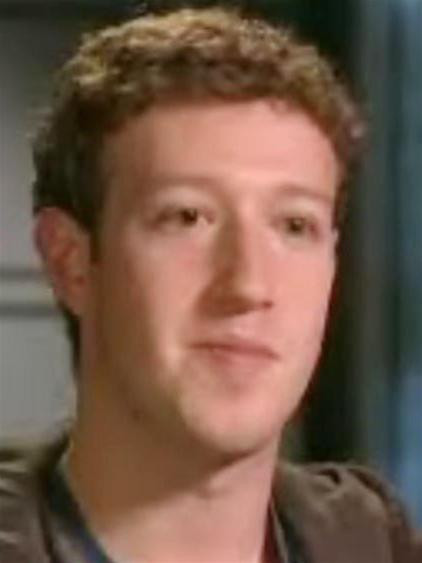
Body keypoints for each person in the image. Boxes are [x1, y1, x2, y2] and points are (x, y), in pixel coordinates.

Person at [0, 6, 420, 563]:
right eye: (187, 217)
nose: (247, 286)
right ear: (70, 262)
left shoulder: (368, 540)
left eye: (295, 226)